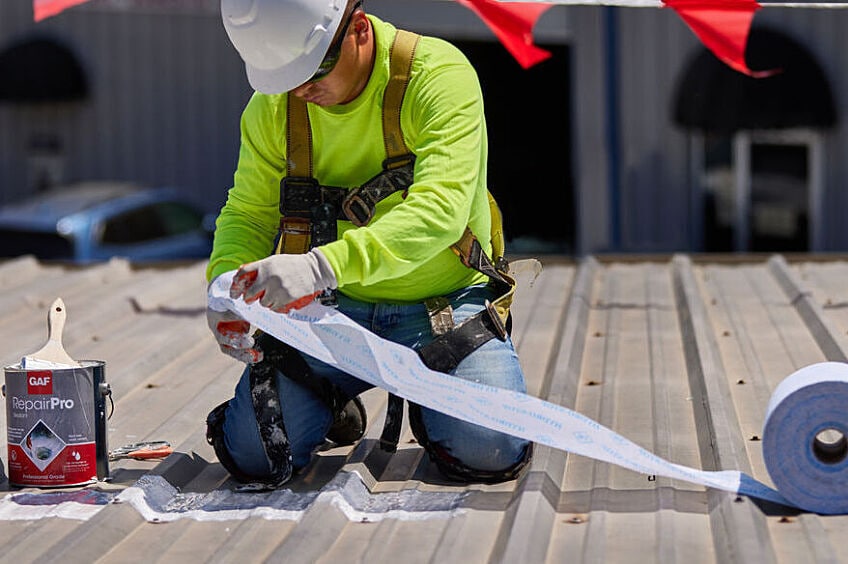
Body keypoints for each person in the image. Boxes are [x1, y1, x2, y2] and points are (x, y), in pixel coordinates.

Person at [205, 0, 532, 488]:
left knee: (488, 449)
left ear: (358, 29)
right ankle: (330, 400)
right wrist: (225, 284)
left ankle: (436, 394)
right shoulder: (275, 107)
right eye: (283, 78)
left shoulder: (435, 75)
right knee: (257, 455)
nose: (300, 91)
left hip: (442, 306)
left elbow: (441, 211)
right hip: (332, 315)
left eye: (313, 71)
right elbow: (249, 211)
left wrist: (320, 267)